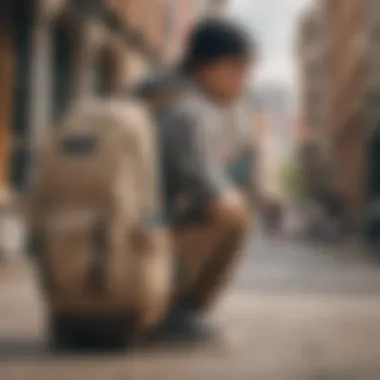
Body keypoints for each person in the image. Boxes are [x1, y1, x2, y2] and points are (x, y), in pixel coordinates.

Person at [154, 19, 258, 340]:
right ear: (207, 68)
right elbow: (209, 188)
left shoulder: (164, 94)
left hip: (133, 233)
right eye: (237, 69)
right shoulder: (190, 111)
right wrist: (232, 196)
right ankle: (177, 313)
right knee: (235, 217)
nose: (243, 81)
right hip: (146, 240)